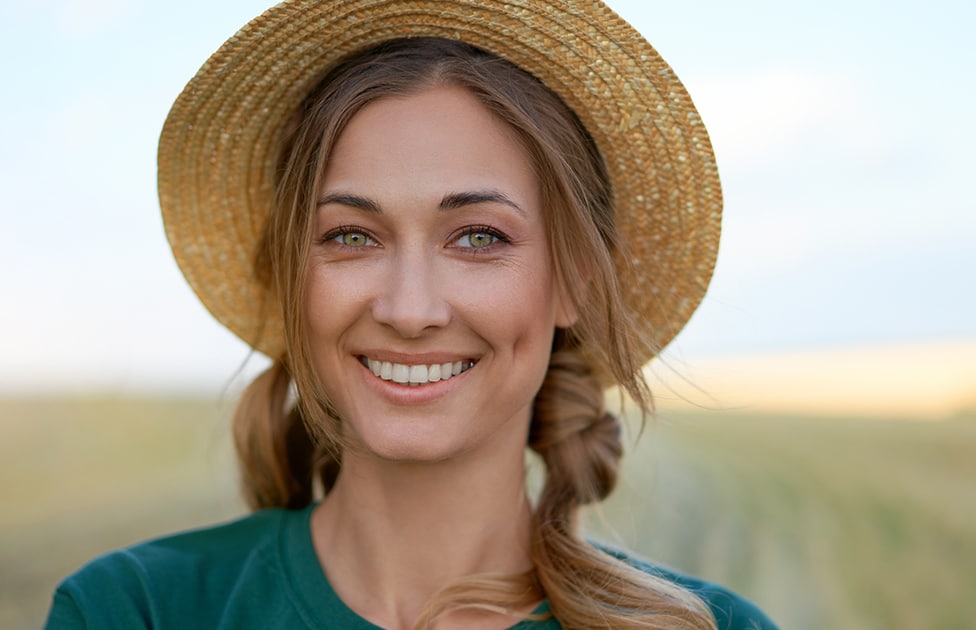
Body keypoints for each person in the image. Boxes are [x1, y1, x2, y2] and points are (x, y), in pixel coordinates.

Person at [45, 1, 777, 628]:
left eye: (479, 237)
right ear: (292, 280)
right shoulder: (136, 610)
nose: (409, 309)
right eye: (351, 236)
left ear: (573, 282)